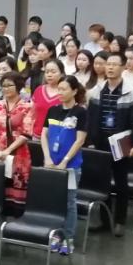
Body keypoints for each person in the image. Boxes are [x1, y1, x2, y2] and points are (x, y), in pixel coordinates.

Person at [86, 53, 133, 236]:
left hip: (120, 141)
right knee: (102, 182)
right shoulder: (96, 90)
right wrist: (90, 141)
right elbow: (90, 119)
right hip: (100, 141)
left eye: (114, 64)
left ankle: (120, 221)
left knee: (120, 183)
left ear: (123, 67)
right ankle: (105, 220)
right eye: (108, 64)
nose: (110, 67)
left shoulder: (132, 92)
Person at [41, 76, 88, 255]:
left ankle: (68, 238)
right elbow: (44, 134)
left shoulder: (81, 112)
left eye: (64, 89)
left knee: (69, 202)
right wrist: (47, 158)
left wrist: (65, 161)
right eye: (58, 89)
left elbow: (80, 140)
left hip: (70, 165)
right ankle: (56, 235)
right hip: (51, 163)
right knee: (53, 201)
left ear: (74, 91)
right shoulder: (53, 110)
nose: (60, 93)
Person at [0, 71, 33, 211]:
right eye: (3, 85)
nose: (6, 88)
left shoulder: (27, 106)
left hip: (18, 154)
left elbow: (26, 133)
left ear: (18, 86)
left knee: (16, 192)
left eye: (9, 85)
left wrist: (8, 151)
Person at [31, 58, 64, 140]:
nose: (49, 75)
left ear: (62, 73)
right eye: (47, 72)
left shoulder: (65, 92)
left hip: (57, 138)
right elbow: (32, 113)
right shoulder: (39, 90)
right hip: (37, 135)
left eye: (53, 72)